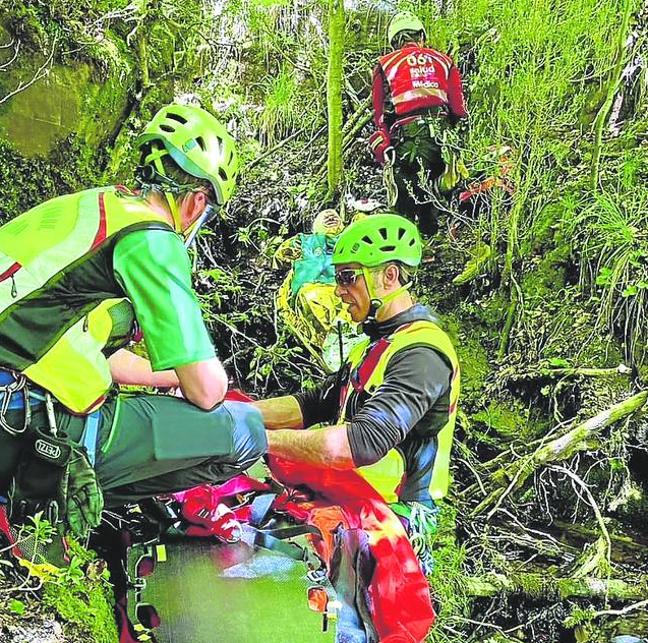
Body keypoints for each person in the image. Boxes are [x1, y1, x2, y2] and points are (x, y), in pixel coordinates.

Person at [0, 103, 266, 538]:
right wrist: (190, 378)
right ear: (197, 202)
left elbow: (90, 342)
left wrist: (165, 379)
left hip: (16, 395)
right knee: (246, 430)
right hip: (18, 420)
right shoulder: (153, 240)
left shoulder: (93, 209)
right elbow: (208, 390)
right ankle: (44, 502)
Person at [255, 213, 460, 572]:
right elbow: (313, 405)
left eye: (349, 278)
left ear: (389, 276)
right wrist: (232, 415)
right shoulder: (373, 346)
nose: (338, 290)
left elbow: (360, 442)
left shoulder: (422, 355)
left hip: (395, 515)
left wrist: (257, 438)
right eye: (337, 278)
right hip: (350, 496)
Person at [369, 11, 468, 236]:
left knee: (404, 200)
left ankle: (408, 251)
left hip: (406, 139)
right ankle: (432, 238)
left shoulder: (385, 64)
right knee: (434, 192)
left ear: (394, 42)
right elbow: (459, 109)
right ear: (421, 36)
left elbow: (380, 116)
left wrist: (383, 147)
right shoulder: (444, 61)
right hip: (441, 139)